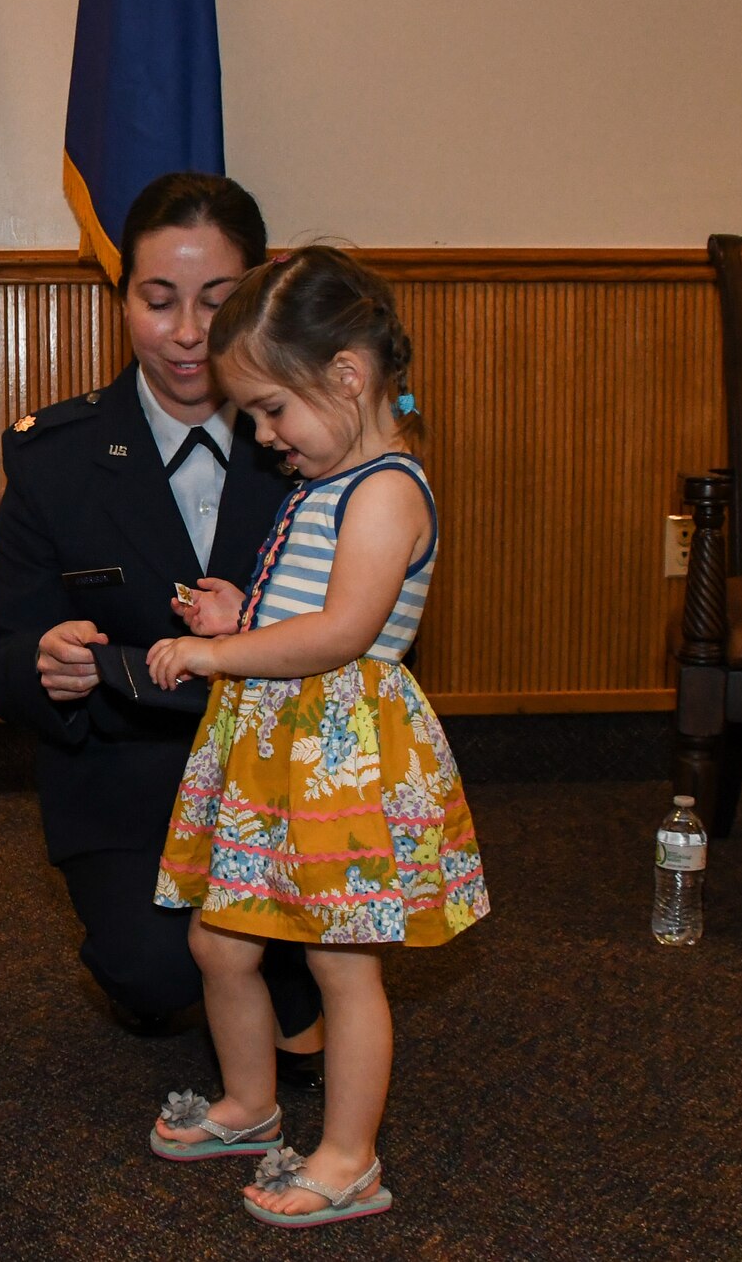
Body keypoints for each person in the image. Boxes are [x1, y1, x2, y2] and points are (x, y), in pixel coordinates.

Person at [145, 245, 491, 1226]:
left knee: (344, 964)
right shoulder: (326, 480)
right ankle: (252, 1104)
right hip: (272, 751)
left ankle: (348, 1156)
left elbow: (342, 632)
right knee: (220, 940)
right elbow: (299, 611)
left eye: (268, 409)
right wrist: (235, 618)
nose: (260, 436)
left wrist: (215, 656)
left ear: (344, 375)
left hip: (336, 759)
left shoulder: (385, 489)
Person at [0, 173, 325, 1085]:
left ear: (263, 290)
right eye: (157, 299)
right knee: (161, 967)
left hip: (292, 778)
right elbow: (2, 661)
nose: (186, 333)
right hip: (131, 780)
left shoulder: (321, 444)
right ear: (122, 295)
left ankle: (281, 956)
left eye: (219, 300)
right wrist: (44, 665)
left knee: (321, 945)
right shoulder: (55, 458)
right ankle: (235, 958)